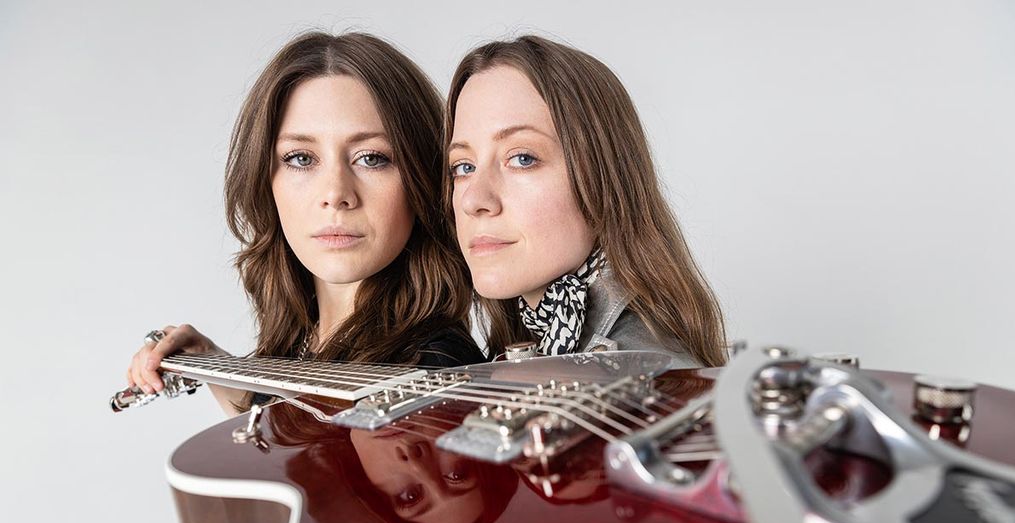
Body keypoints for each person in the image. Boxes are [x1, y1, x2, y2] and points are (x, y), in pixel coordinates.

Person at [125, 31, 483, 416]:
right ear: (266, 180)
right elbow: (291, 438)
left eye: (372, 158)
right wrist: (213, 364)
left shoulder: (433, 369)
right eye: (300, 158)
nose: (335, 193)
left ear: (421, 179)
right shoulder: (311, 338)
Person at [443, 35, 727, 368]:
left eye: (522, 158)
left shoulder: (639, 374)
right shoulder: (538, 332)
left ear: (602, 179)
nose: (473, 200)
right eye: (464, 166)